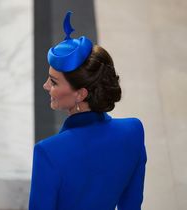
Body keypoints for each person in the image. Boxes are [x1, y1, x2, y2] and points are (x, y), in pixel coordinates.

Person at [29, 11, 147, 210]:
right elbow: (132, 205)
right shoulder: (134, 131)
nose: (45, 86)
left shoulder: (48, 153)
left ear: (80, 94)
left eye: (54, 82)